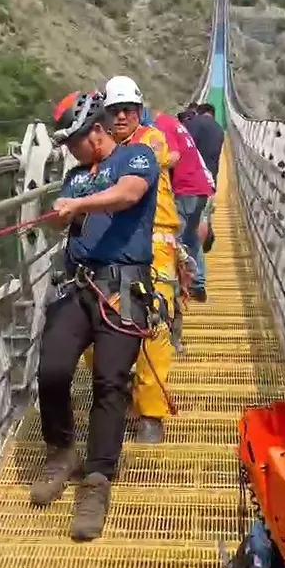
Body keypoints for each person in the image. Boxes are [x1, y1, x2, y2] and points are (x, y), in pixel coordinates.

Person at [30, 90, 159, 542]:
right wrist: (56, 216)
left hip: (123, 287)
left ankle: (97, 480)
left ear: (97, 132)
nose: (69, 150)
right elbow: (68, 218)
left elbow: (129, 195)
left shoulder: (136, 157)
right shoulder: (75, 176)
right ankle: (61, 450)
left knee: (110, 382)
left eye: (73, 141)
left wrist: (79, 205)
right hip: (78, 284)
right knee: (51, 369)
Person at [101, 75, 177, 444]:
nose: (121, 116)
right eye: (114, 110)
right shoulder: (101, 148)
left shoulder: (150, 139)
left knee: (154, 322)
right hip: (111, 245)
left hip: (156, 242)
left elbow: (153, 158)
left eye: (128, 109)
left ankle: (151, 413)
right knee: (98, 318)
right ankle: (121, 389)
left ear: (139, 111)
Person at [149, 107, 214, 305]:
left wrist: (150, 166)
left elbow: (174, 156)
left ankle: (173, 288)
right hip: (201, 186)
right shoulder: (174, 123)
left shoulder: (161, 126)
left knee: (173, 238)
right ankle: (198, 284)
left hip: (185, 188)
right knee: (192, 237)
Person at [182, 103, 225, 253]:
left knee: (188, 223)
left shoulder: (194, 123)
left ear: (199, 112)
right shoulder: (219, 129)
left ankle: (188, 254)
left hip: (191, 181)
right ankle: (198, 254)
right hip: (211, 180)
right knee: (204, 217)